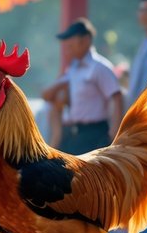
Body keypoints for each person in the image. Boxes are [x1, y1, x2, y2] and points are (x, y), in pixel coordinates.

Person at [41, 17, 123, 154]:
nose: (68, 46)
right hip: (76, 133)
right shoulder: (73, 69)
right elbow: (47, 95)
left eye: (71, 42)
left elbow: (116, 96)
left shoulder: (99, 67)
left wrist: (115, 132)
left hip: (95, 133)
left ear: (85, 40)